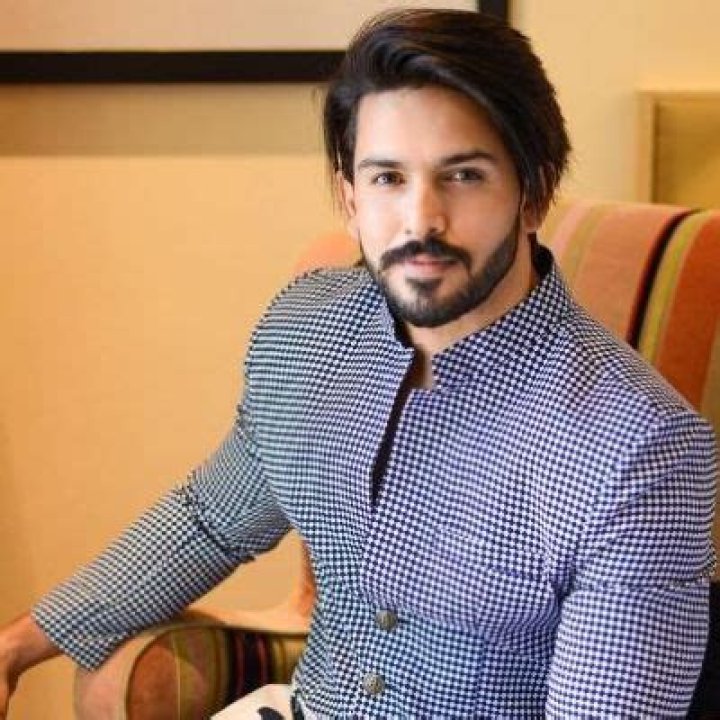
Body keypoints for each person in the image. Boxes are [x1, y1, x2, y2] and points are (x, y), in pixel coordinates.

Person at [0, 8, 716, 719]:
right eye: (387, 178)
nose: (421, 219)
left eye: (463, 175)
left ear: (534, 193)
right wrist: (15, 648)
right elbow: (211, 520)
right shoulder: (308, 331)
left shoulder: (641, 447)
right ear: (349, 198)